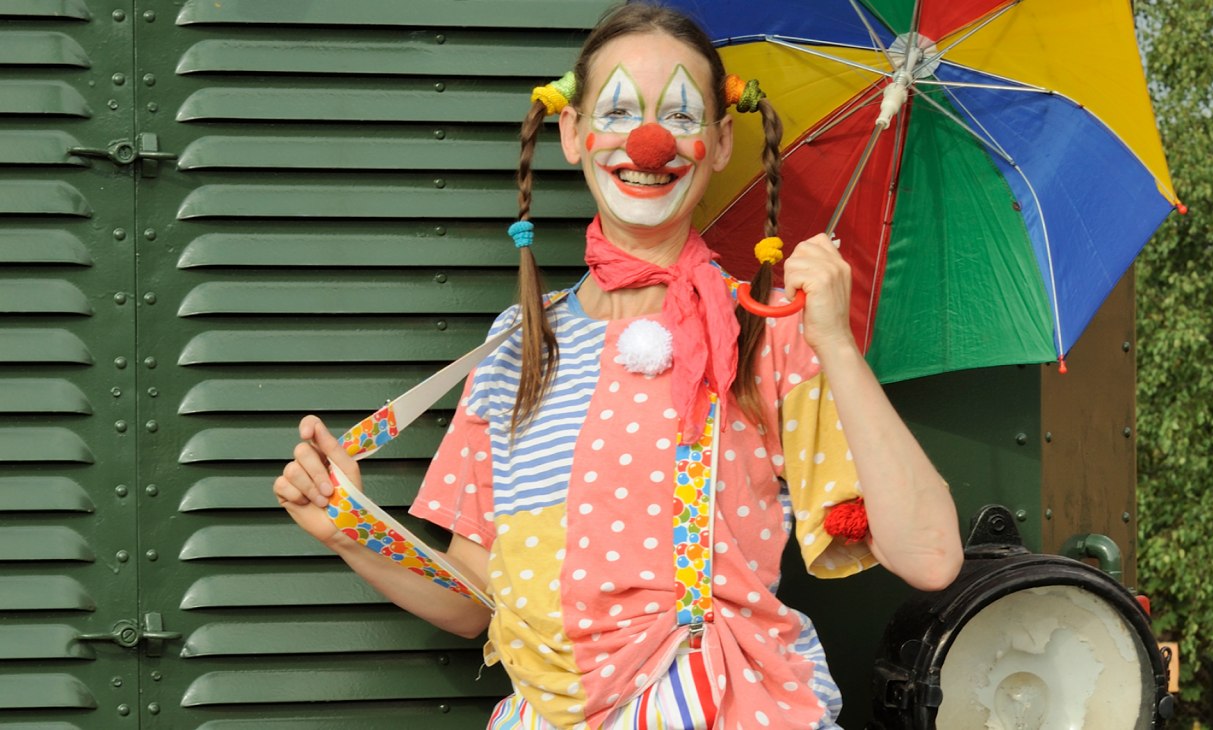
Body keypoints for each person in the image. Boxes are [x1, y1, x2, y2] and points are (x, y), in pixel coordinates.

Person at [274, 4, 963, 728]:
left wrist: (837, 344)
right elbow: (473, 602)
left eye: (680, 115)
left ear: (722, 141)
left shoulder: (762, 332)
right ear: (572, 133)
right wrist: (349, 531)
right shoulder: (517, 342)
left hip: (714, 703)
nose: (649, 139)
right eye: (620, 110)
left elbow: (930, 557)